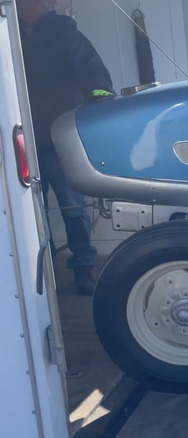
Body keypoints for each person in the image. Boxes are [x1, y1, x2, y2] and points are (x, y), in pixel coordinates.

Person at [16, 0, 115, 295]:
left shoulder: (67, 35)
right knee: (31, 211)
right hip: (24, 143)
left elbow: (99, 81)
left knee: (73, 209)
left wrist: (95, 117)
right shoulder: (10, 37)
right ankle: (39, 271)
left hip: (60, 142)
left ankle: (84, 269)